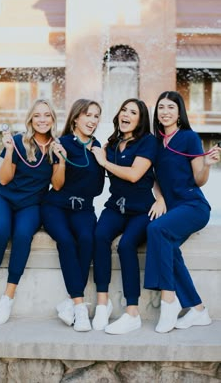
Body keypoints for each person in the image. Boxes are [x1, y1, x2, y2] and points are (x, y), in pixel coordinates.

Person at [144, 90, 221, 333]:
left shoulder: (189, 137)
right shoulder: (154, 141)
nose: (165, 112)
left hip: (193, 206)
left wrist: (207, 165)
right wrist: (160, 198)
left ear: (179, 113)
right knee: (169, 249)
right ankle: (198, 310)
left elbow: (199, 180)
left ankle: (169, 301)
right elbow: (153, 177)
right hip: (172, 207)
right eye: (161, 107)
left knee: (155, 229)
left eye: (170, 107)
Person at [91, 98, 163, 335]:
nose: (126, 114)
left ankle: (132, 312)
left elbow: (135, 174)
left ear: (140, 120)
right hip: (115, 207)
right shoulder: (111, 143)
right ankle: (102, 302)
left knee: (126, 245)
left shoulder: (148, 142)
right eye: (124, 110)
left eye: (133, 112)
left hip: (142, 210)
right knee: (99, 236)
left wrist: (102, 161)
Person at [0, 99, 58, 325]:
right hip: (3, 198)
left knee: (23, 236)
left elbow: (57, 185)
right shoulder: (17, 141)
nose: (42, 119)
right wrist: (8, 151)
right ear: (30, 119)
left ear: (53, 119)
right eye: (37, 115)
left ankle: (8, 296)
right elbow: (4, 179)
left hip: (32, 204)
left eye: (47, 115)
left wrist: (61, 160)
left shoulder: (57, 146)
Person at [41, 98, 104, 332]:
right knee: (66, 241)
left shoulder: (98, 147)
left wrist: (100, 160)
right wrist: (62, 161)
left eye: (96, 116)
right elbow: (56, 186)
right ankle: (79, 307)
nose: (92, 120)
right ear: (76, 117)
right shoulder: (62, 143)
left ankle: (68, 302)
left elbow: (97, 189)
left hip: (83, 208)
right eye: (87, 115)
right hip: (56, 205)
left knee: (88, 239)